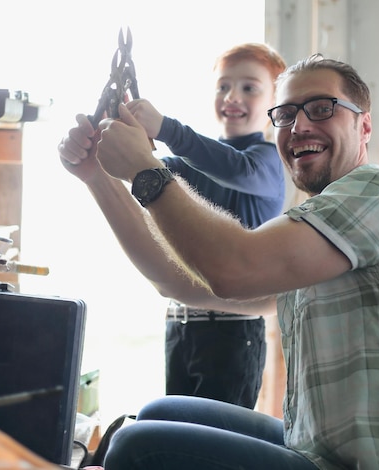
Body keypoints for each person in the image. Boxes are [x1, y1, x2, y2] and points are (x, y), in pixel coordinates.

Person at [60, 53, 379, 469]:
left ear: (364, 125)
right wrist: (97, 176)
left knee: (138, 445)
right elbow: (178, 282)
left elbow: (233, 270)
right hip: (314, 449)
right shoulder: (321, 231)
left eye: (322, 108)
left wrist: (146, 169)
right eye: (286, 114)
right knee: (158, 413)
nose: (300, 126)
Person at [61, 43, 287, 409]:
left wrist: (167, 128)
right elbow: (144, 171)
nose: (232, 96)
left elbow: (236, 169)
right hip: (180, 323)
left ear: (275, 105)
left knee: (209, 450)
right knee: (177, 435)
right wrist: (96, 150)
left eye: (249, 87)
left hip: (233, 330)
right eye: (223, 86)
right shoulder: (189, 163)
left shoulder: (268, 161)